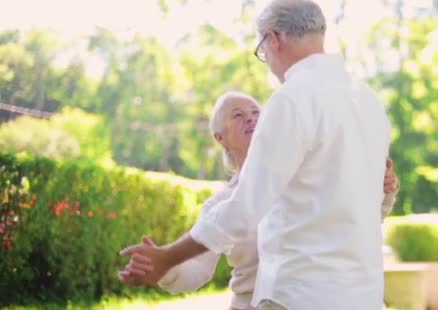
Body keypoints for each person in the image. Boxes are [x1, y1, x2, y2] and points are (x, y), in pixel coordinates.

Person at [118, 0, 393, 310]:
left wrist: (168, 257)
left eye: (262, 50)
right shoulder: (368, 101)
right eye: (238, 115)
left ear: (273, 40)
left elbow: (245, 208)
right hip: (364, 298)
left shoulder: (291, 100)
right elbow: (353, 209)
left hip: (300, 297)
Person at [120, 91, 399, 310]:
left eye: (256, 112)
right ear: (220, 137)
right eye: (238, 115)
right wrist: (164, 268)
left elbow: (355, 223)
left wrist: (384, 191)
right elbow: (196, 272)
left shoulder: (303, 179)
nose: (251, 118)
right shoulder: (221, 205)